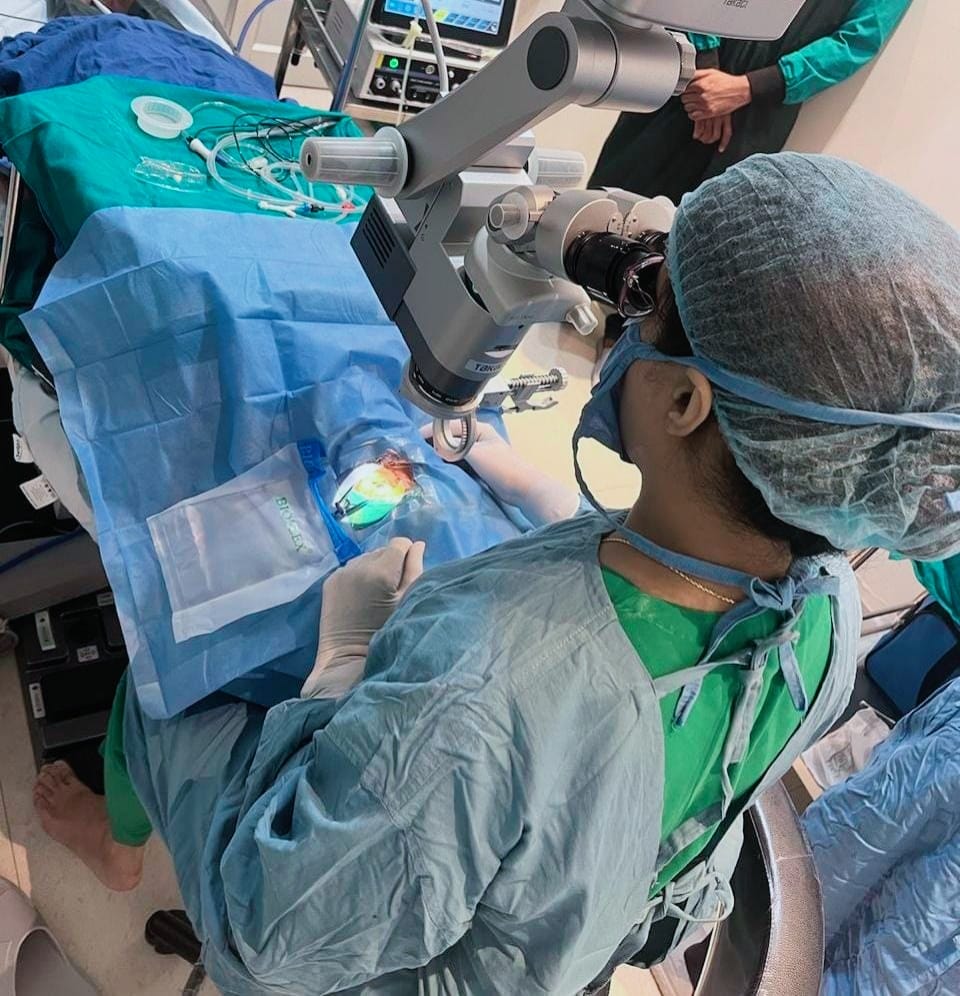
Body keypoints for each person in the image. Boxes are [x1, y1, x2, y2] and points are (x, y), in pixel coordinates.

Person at [33, 154, 960, 994]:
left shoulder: (478, 692)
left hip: (379, 957)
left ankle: (119, 850)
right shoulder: (828, 604)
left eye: (649, 312)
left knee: (167, 678)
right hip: (573, 934)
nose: (626, 327)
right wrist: (512, 471)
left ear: (684, 400)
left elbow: (266, 934)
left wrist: (340, 671)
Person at [590, 0, 914, 204]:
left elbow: (856, 42)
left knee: (693, 234)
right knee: (611, 197)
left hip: (760, 109)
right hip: (685, 70)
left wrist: (746, 88)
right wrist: (705, 63)